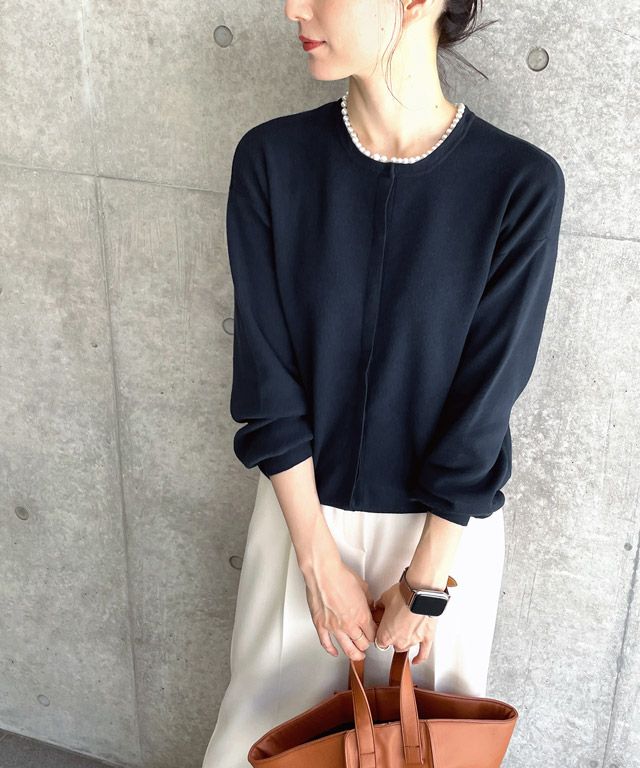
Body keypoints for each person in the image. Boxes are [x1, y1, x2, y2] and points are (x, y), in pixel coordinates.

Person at [202, 0, 565, 765]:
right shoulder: (272, 161)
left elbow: (486, 402)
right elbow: (266, 380)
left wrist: (426, 581)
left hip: (444, 542)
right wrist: (314, 558)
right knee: (255, 746)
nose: (294, 8)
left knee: (421, 751)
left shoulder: (519, 184)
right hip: (301, 518)